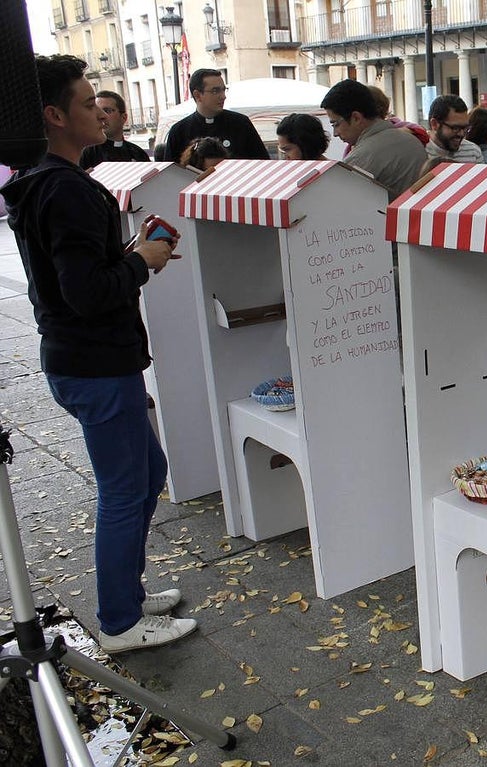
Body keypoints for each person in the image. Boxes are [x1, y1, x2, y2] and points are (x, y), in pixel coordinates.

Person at [1, 54, 194, 654]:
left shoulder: (41, 183)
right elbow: (85, 294)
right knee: (124, 489)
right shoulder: (67, 189)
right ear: (55, 116)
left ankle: (127, 594)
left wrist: (129, 255)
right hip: (96, 363)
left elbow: (71, 277)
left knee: (148, 475)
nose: (101, 113)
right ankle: (119, 622)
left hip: (86, 359)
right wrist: (143, 261)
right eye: (88, 104)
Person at [321, 79, 426, 201]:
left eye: (335, 124)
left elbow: (339, 202)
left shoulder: (360, 157)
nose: (335, 133)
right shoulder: (412, 141)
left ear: (356, 118)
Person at [163, 69, 267, 162]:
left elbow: (262, 162)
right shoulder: (179, 131)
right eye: (215, 91)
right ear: (197, 95)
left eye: (224, 90)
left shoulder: (241, 124)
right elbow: (171, 173)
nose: (223, 96)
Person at [79, 90, 150, 169]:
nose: (101, 116)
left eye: (107, 111)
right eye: (96, 111)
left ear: (124, 117)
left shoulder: (138, 153)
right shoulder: (85, 153)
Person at [426, 95, 485, 163]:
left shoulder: (473, 152)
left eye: (465, 128)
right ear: (434, 124)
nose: (461, 134)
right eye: (455, 128)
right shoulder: (419, 152)